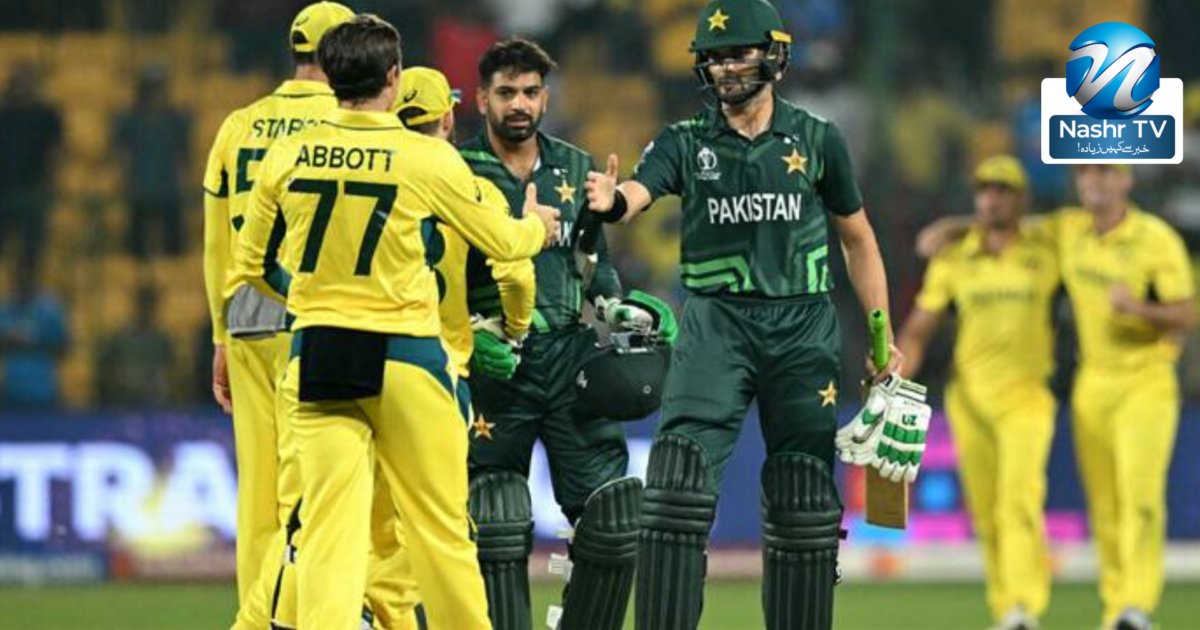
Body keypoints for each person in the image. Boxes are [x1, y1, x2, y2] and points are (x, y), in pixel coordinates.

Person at [233, 14, 559, 630]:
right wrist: (536, 228)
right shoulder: (425, 158)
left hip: (319, 351)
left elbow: (249, 265)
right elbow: (503, 243)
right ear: (394, 76)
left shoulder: (289, 153)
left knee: (327, 532)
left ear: (331, 77)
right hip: (407, 355)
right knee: (439, 532)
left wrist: (307, 296)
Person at [584, 2, 900, 628]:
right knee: (674, 490)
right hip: (715, 326)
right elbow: (637, 194)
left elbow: (858, 239)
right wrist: (612, 201)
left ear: (774, 56)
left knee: (803, 503)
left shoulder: (818, 139)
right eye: (714, 58)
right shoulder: (684, 140)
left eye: (738, 54)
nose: (725, 68)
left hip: (802, 329)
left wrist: (880, 336)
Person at [459, 37, 676, 630]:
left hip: (567, 356)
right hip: (491, 359)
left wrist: (614, 306)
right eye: (506, 92)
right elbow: (434, 269)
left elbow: (590, 257)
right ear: (481, 99)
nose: (519, 104)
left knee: (613, 520)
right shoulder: (455, 169)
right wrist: (466, 334)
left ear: (545, 98)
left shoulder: (577, 167)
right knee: (493, 520)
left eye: (530, 92)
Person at [919, 163, 1195, 630]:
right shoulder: (1068, 230)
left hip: (1146, 380)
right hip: (1092, 383)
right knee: (1105, 505)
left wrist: (1138, 309)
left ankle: (1136, 605)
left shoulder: (1155, 238)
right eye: (1086, 174)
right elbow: (1007, 223)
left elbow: (1186, 314)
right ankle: (1116, 610)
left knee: (1141, 497)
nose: (1094, 182)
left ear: (1126, 181)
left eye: (1105, 173)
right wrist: (954, 229)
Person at [201, 4, 353, 627]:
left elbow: (217, 242)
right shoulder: (347, 125)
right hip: (312, 317)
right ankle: (292, 614)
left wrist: (220, 334)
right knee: (311, 491)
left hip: (245, 320)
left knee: (258, 494)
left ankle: (254, 613)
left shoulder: (237, 125)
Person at [897, 156, 1056, 630]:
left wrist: (957, 225)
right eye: (985, 190)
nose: (992, 198)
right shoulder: (957, 258)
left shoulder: (1047, 251)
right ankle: (1007, 609)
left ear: (1021, 199)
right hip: (970, 399)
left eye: (1002, 190)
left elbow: (1083, 232)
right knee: (986, 512)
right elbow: (920, 327)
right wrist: (896, 370)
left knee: (1018, 501)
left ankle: (1024, 605)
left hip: (1027, 396)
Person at [116, 67, 191, 259]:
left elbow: (184, 155)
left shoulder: (175, 121)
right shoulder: (132, 121)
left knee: (174, 248)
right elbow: (121, 153)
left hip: (169, 190)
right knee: (137, 248)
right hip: (141, 190)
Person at [0, 63, 62, 278]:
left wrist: (51, 181)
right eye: (20, 82)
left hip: (34, 188)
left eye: (28, 82)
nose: (23, 87)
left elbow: (55, 151)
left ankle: (28, 279)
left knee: (32, 246)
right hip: (4, 189)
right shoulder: (3, 115)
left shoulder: (46, 115)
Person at [0, 262, 68, 409]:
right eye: (18, 278)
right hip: (10, 392)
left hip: (44, 393)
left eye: (26, 278)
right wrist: (9, 340)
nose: (22, 283)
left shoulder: (49, 312)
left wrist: (35, 340)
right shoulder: (4, 310)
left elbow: (63, 348)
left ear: (34, 280)